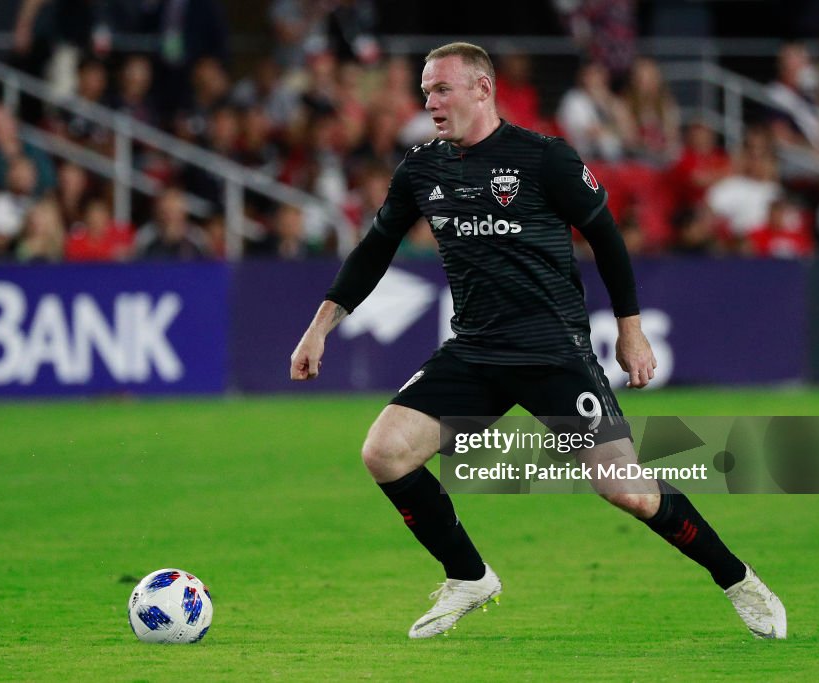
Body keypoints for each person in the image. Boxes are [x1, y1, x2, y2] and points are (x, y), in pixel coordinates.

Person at [289, 42, 787, 640]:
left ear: (482, 89)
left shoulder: (544, 158)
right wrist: (320, 327)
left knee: (628, 491)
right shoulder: (422, 168)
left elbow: (606, 237)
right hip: (475, 351)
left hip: (554, 351)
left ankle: (738, 580)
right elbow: (374, 251)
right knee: (385, 451)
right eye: (425, 92)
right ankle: (468, 576)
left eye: (442, 89)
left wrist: (630, 329)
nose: (431, 102)